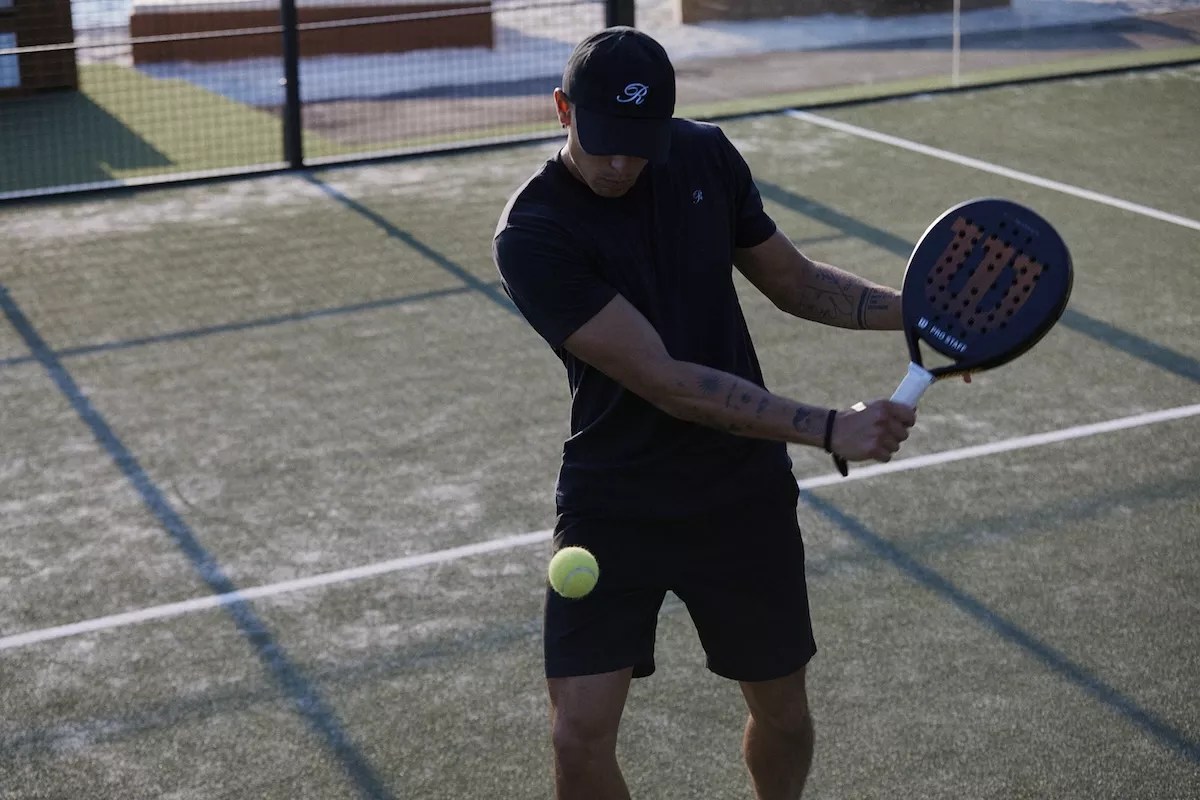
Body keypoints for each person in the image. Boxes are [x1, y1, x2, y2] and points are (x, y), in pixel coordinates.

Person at [492, 26, 917, 800]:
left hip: (737, 493)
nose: (621, 163)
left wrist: (918, 311)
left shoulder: (702, 156)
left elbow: (794, 282)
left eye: (639, 143)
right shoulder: (533, 234)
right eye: (604, 142)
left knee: (784, 714)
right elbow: (667, 381)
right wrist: (827, 426)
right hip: (615, 499)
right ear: (562, 110)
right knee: (576, 737)